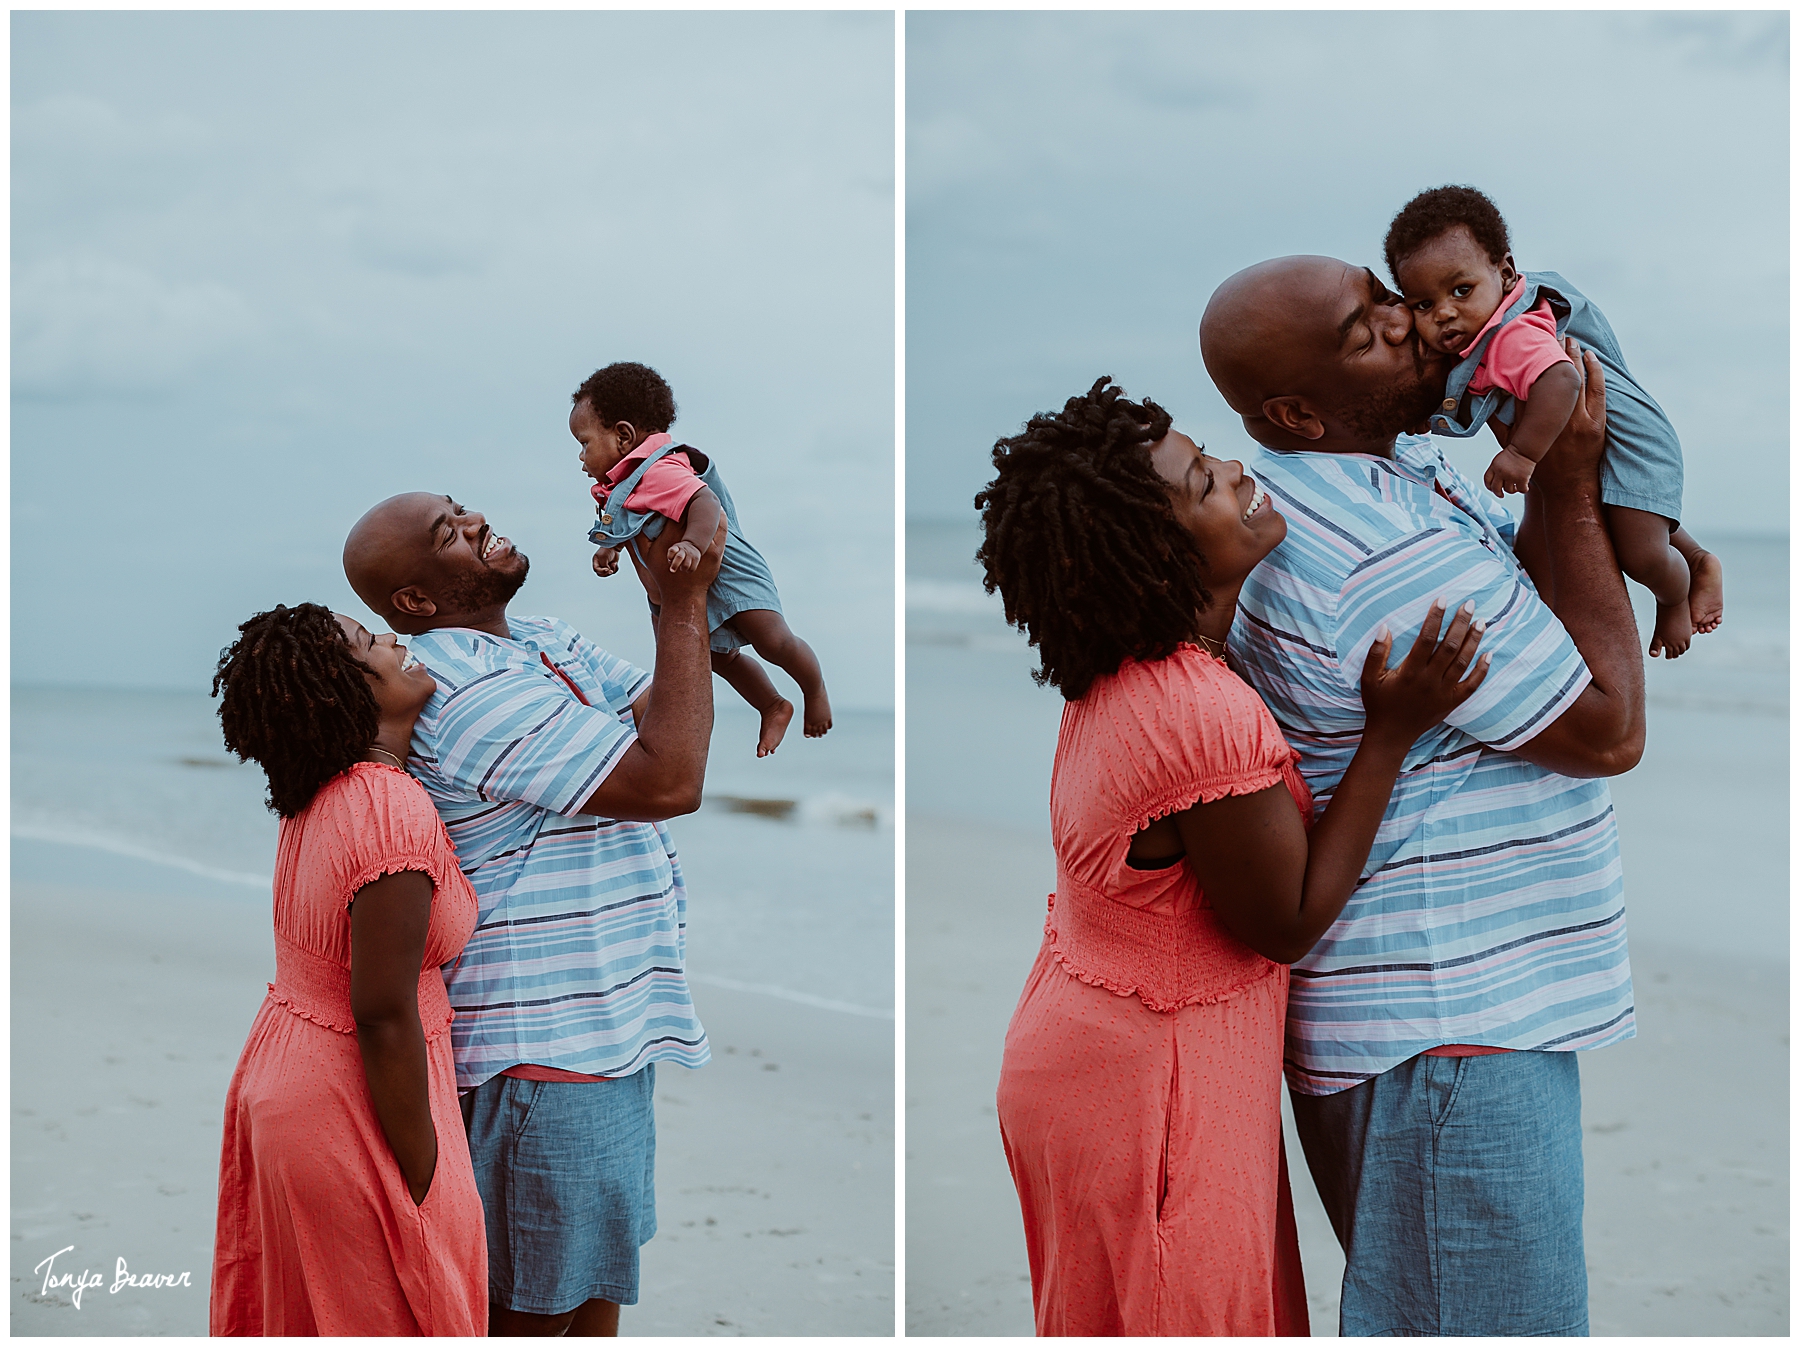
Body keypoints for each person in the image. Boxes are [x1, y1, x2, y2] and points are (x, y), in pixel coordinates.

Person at [976, 377, 1492, 1336]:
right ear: (1156, 548)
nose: (1238, 471)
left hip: (1095, 1051)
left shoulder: (1129, 673)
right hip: (1149, 1083)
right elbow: (1286, 921)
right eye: (1205, 480)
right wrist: (1391, 732)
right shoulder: (1197, 711)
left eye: (1211, 455)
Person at [1199, 255, 1648, 1336]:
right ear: (1299, 410)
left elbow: (1539, 601)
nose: (1409, 323)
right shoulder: (1372, 554)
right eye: (1367, 328)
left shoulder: (1373, 478)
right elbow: (1605, 727)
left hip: (1445, 1022)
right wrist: (1570, 476)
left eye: (1385, 298)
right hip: (1447, 1034)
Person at [342, 491, 725, 1336]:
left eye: (461, 508)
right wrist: (683, 600)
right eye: (450, 533)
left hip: (603, 1035)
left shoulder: (542, 639)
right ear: (414, 601)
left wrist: (674, 591)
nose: (476, 522)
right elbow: (669, 778)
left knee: (589, 1303)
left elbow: (670, 705)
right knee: (535, 1320)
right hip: (541, 1055)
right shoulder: (458, 689)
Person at [209, 602, 486, 1335]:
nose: (395, 641)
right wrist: (423, 1171)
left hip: (286, 1075)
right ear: (344, 689)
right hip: (350, 1099)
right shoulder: (387, 807)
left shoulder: (319, 796)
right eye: (370, 641)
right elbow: (382, 1010)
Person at [1385, 183, 1723, 657]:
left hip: (1631, 443)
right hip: (1609, 438)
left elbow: (1560, 381)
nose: (1444, 312)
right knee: (1627, 516)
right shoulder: (1481, 330)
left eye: (1462, 290)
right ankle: (1697, 557)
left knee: (1640, 554)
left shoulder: (1512, 333)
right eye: (1423, 304)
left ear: (1505, 273)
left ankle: (1672, 596)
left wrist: (1521, 454)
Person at [573, 360, 831, 756]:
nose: (581, 457)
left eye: (585, 442)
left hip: (727, 572)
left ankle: (814, 689)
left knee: (774, 641)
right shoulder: (619, 486)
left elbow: (703, 500)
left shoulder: (659, 469)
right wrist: (609, 548)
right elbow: (625, 523)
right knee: (717, 658)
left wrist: (693, 543)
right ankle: (772, 704)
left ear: (623, 436)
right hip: (676, 584)